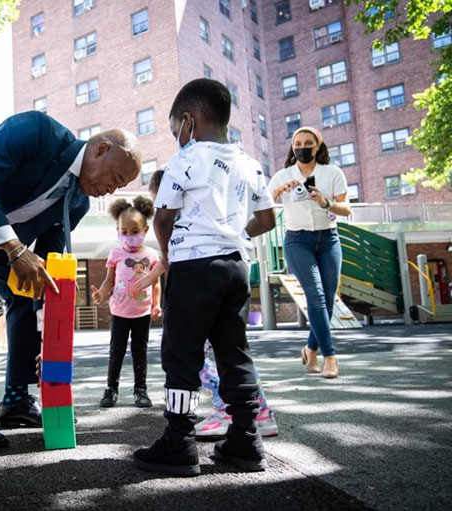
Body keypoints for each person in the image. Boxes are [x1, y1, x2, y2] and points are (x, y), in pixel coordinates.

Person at [0, 111, 141, 448]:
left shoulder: (77, 203)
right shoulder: (38, 131)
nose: (110, 189)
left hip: (0, 242)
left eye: (118, 187)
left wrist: (50, 331)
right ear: (101, 149)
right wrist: (17, 250)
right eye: (114, 178)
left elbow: (46, 266)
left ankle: (16, 400)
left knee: (28, 295)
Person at [133, 79, 276, 477]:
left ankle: (179, 440)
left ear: (188, 121)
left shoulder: (186, 157)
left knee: (182, 355)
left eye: (175, 126)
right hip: (235, 267)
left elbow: (162, 217)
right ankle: (247, 440)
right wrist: (232, 233)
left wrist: (167, 253)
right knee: (234, 350)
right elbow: (266, 219)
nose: (176, 134)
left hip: (194, 267)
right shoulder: (251, 163)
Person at [132, 171, 279, 438]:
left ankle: (225, 409)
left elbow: (168, 258)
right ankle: (260, 412)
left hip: (199, 292)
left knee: (200, 357)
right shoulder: (205, 220)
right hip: (231, 276)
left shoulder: (184, 225)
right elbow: (166, 263)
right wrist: (145, 282)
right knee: (234, 354)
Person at [268, 127, 350, 379]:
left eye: (308, 143)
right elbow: (263, 202)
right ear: (292, 148)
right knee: (315, 296)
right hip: (297, 241)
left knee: (327, 299)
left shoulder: (332, 173)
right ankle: (330, 356)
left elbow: (346, 209)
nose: (302, 147)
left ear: (317, 146)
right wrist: (280, 190)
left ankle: (310, 349)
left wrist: (325, 202)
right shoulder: (283, 175)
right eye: (297, 143)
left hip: (329, 239)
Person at [91, 196, 161, 409]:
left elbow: (156, 283)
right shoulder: (116, 254)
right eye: (124, 232)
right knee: (117, 351)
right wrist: (101, 294)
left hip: (142, 313)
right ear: (118, 231)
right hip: (120, 312)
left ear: (145, 230)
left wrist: (156, 304)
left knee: (140, 351)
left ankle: (141, 390)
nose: (129, 236)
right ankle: (111, 389)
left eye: (134, 231)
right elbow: (109, 280)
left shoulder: (151, 254)